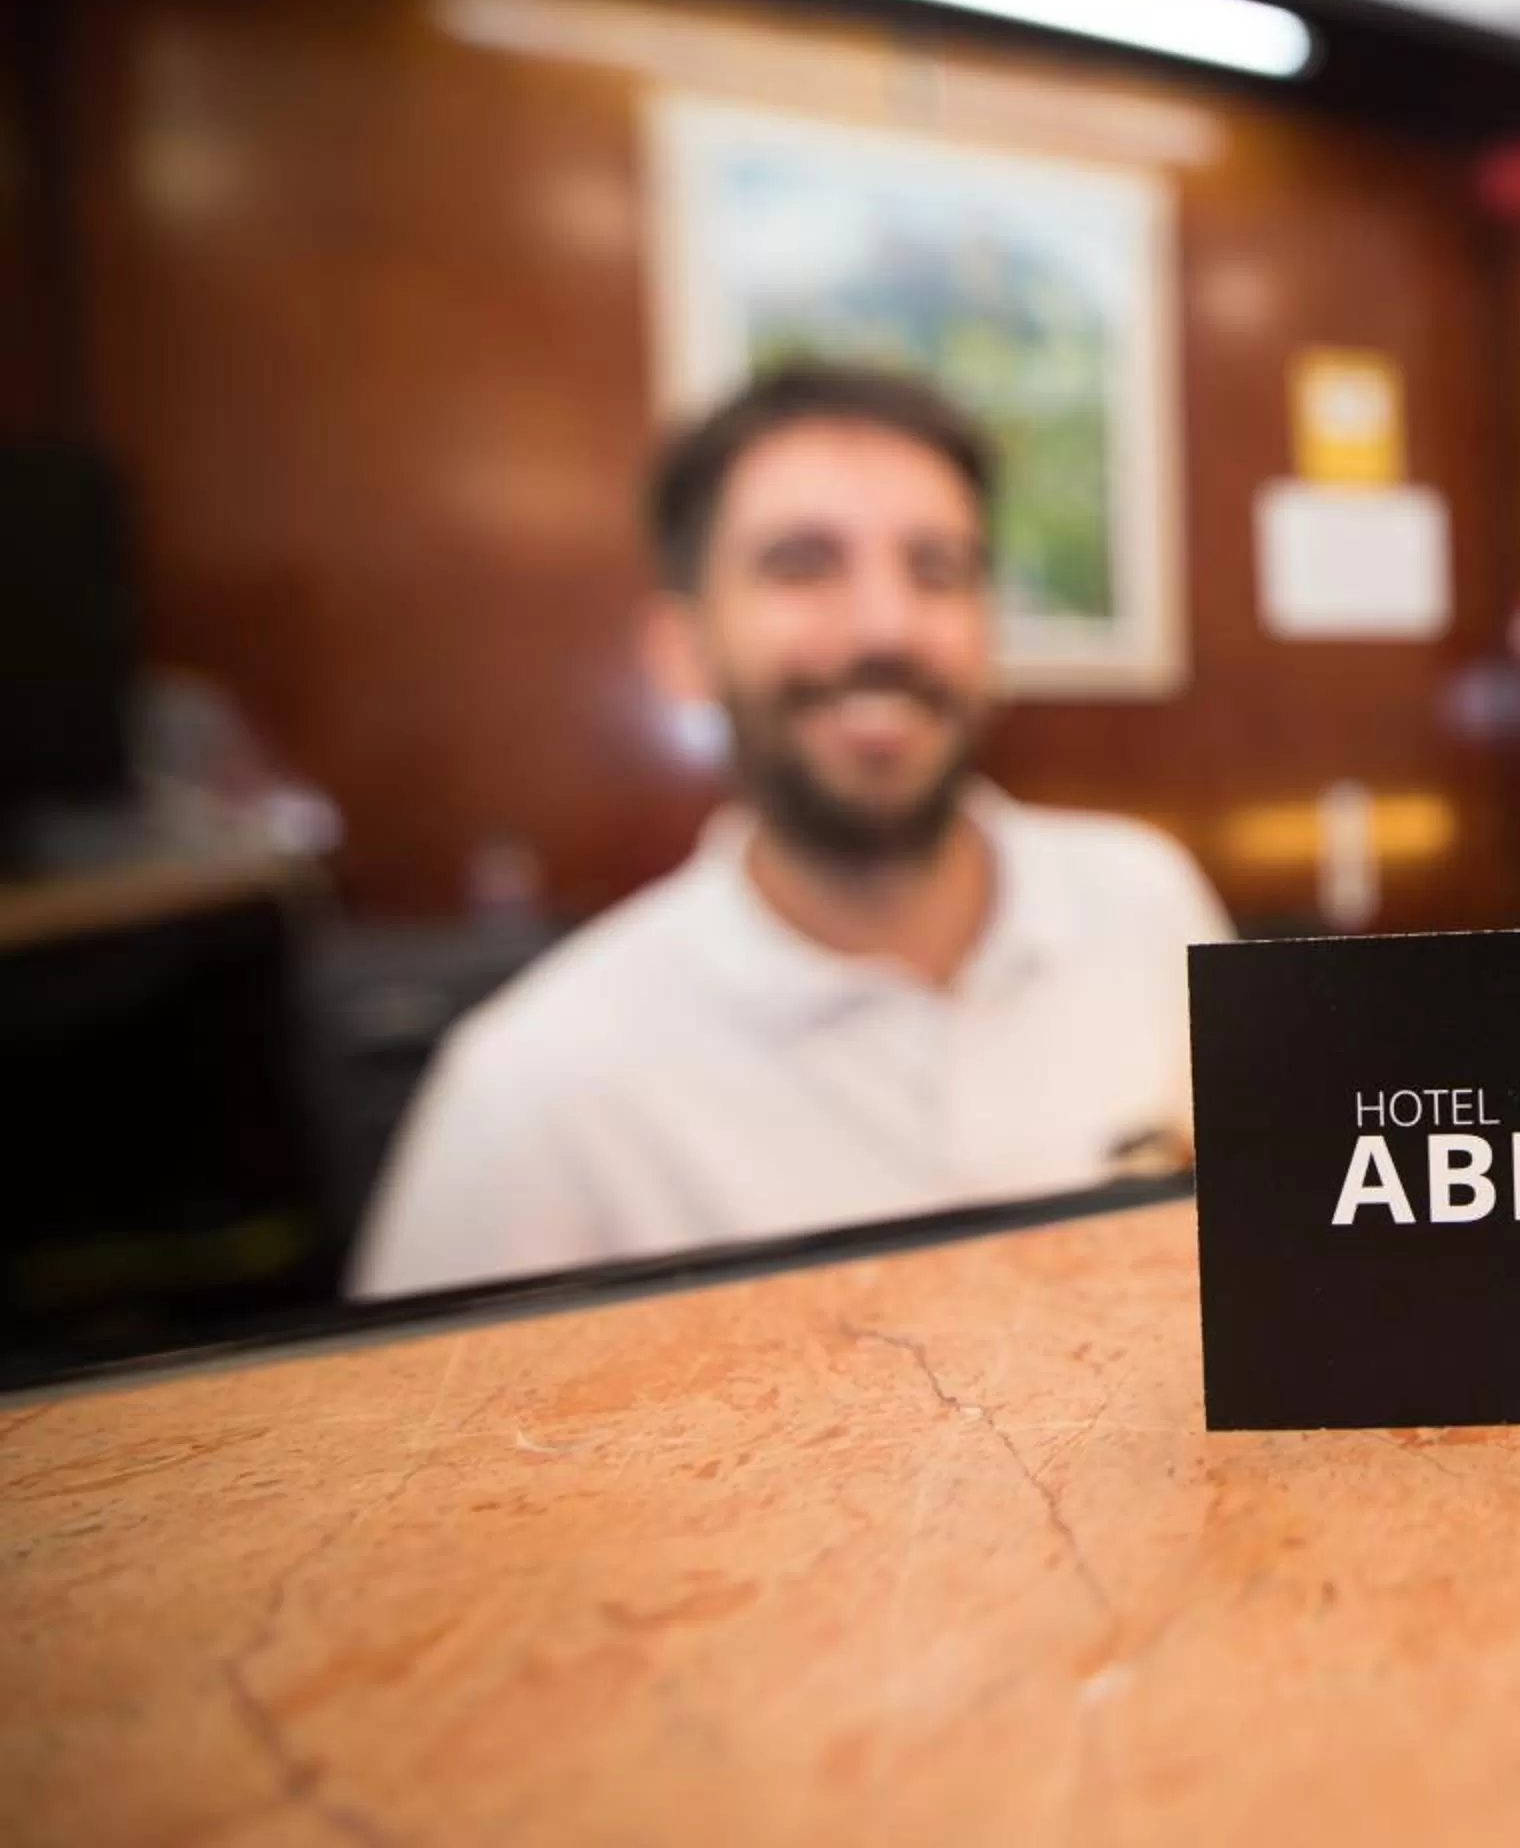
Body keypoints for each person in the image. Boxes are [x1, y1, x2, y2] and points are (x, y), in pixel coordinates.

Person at [350, 365, 1231, 1298]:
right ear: (685, 649)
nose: (886, 627)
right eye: (802, 565)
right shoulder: (535, 1089)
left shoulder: (1146, 900)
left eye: (937, 570)